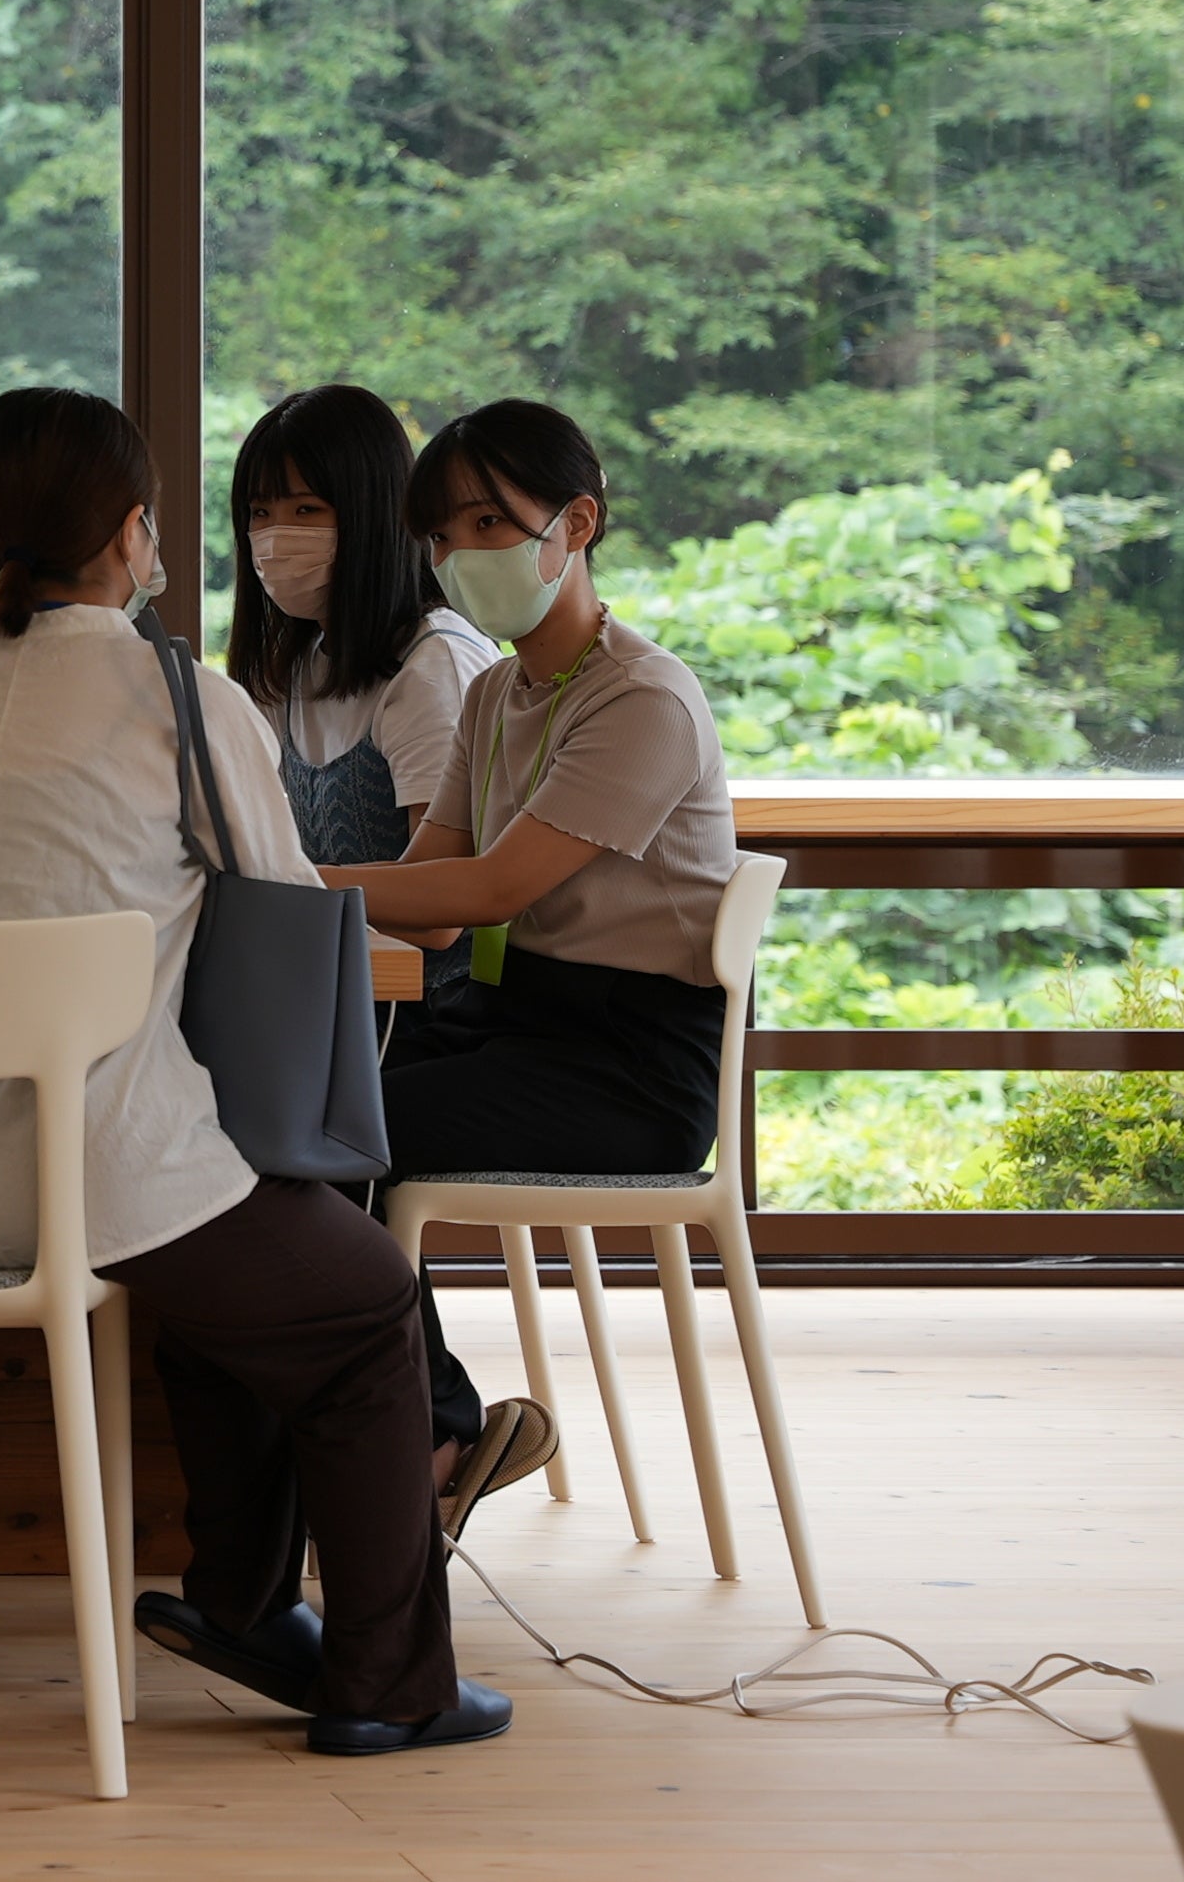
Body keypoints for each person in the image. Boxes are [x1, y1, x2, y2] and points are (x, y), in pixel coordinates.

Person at [0, 387, 508, 1757]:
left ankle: (244, 1608)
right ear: (130, 531)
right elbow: (285, 903)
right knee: (365, 1303)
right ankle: (393, 1683)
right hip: (93, 1176)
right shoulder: (179, 695)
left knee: (242, 1279)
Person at [323, 398, 740, 1542]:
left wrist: (286, 877)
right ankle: (406, 1440)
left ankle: (427, 1443)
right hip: (520, 1028)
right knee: (288, 1117)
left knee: (331, 1141)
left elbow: (490, 892)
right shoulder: (495, 694)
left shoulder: (644, 699)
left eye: (489, 523)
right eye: (442, 536)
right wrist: (300, 880)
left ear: (577, 524)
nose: (463, 556)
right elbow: (433, 901)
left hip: (631, 1067)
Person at [227, 384, 498, 877]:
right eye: (260, 513)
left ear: (372, 513)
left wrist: (297, 887)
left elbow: (442, 896)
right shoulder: (296, 662)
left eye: (306, 510)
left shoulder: (434, 663)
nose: (274, 539)